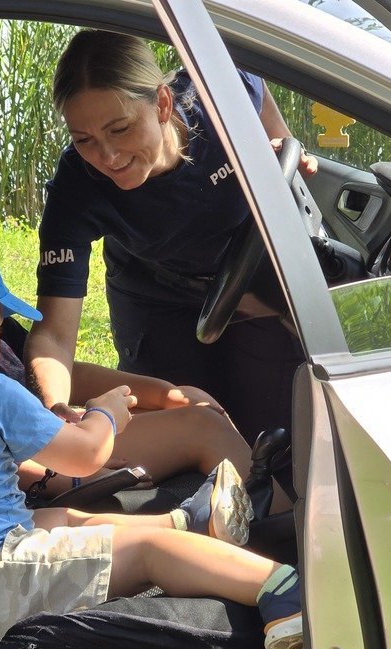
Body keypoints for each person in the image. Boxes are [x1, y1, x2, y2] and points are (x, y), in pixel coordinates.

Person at [0, 230, 302, 649]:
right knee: (149, 555)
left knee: (58, 518)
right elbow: (84, 456)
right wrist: (105, 414)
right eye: (0, 329)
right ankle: (282, 590)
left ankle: (188, 521)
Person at [0, 158, 288, 513]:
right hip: (37, 461)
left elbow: (36, 367)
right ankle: (292, 532)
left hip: (55, 434)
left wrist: (163, 392)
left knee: (196, 407)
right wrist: (57, 475)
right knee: (202, 429)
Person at [27, 30, 315, 445]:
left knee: (277, 427)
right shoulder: (78, 185)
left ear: (162, 104)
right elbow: (53, 334)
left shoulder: (216, 99)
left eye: (120, 129)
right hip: (151, 293)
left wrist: (278, 140)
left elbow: (253, 85)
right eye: (83, 139)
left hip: (243, 283)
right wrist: (56, 418)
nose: (106, 156)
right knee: (183, 423)